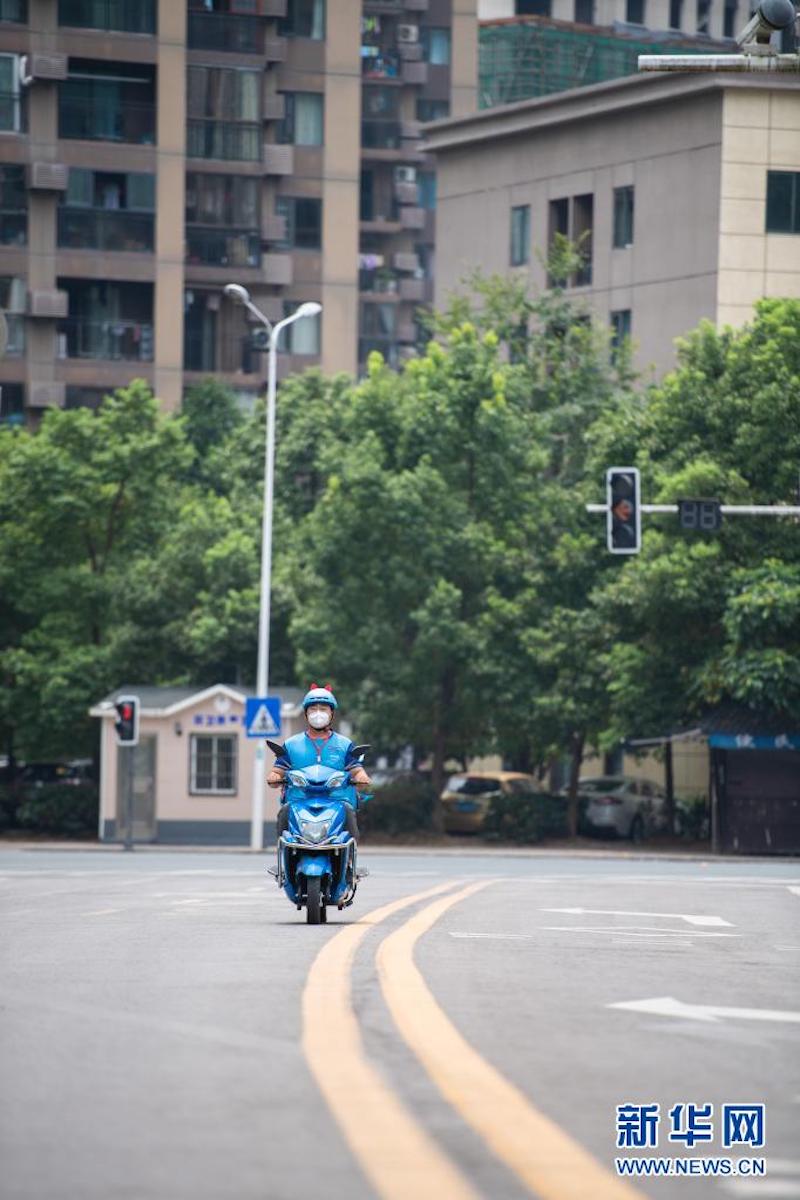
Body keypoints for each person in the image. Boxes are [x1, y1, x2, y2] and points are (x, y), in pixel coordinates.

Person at [269, 685, 370, 839]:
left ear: (332, 714)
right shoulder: (291, 744)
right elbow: (278, 770)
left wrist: (362, 777)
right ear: (305, 714)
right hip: (299, 799)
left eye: (323, 709)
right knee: (284, 812)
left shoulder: (344, 744)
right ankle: (283, 857)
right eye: (313, 709)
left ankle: (349, 856)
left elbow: (356, 769)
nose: (318, 713)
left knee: (349, 813)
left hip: (336, 799)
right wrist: (273, 777)